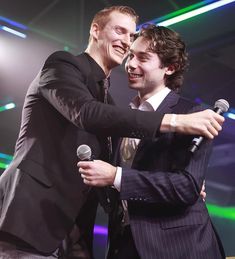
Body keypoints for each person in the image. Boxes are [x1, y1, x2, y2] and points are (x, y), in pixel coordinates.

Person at [0, 5, 224, 259]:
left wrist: (187, 188)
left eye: (132, 37)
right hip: (31, 222)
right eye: (120, 31)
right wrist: (173, 123)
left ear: (169, 68)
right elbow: (87, 114)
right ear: (95, 30)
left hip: (171, 245)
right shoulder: (63, 66)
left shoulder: (187, 113)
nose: (127, 47)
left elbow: (177, 185)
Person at [78, 24, 225, 259]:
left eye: (143, 58)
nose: (131, 64)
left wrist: (116, 175)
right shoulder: (123, 117)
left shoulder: (193, 115)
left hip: (179, 247)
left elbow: (187, 187)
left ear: (170, 67)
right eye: (131, 55)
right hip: (123, 243)